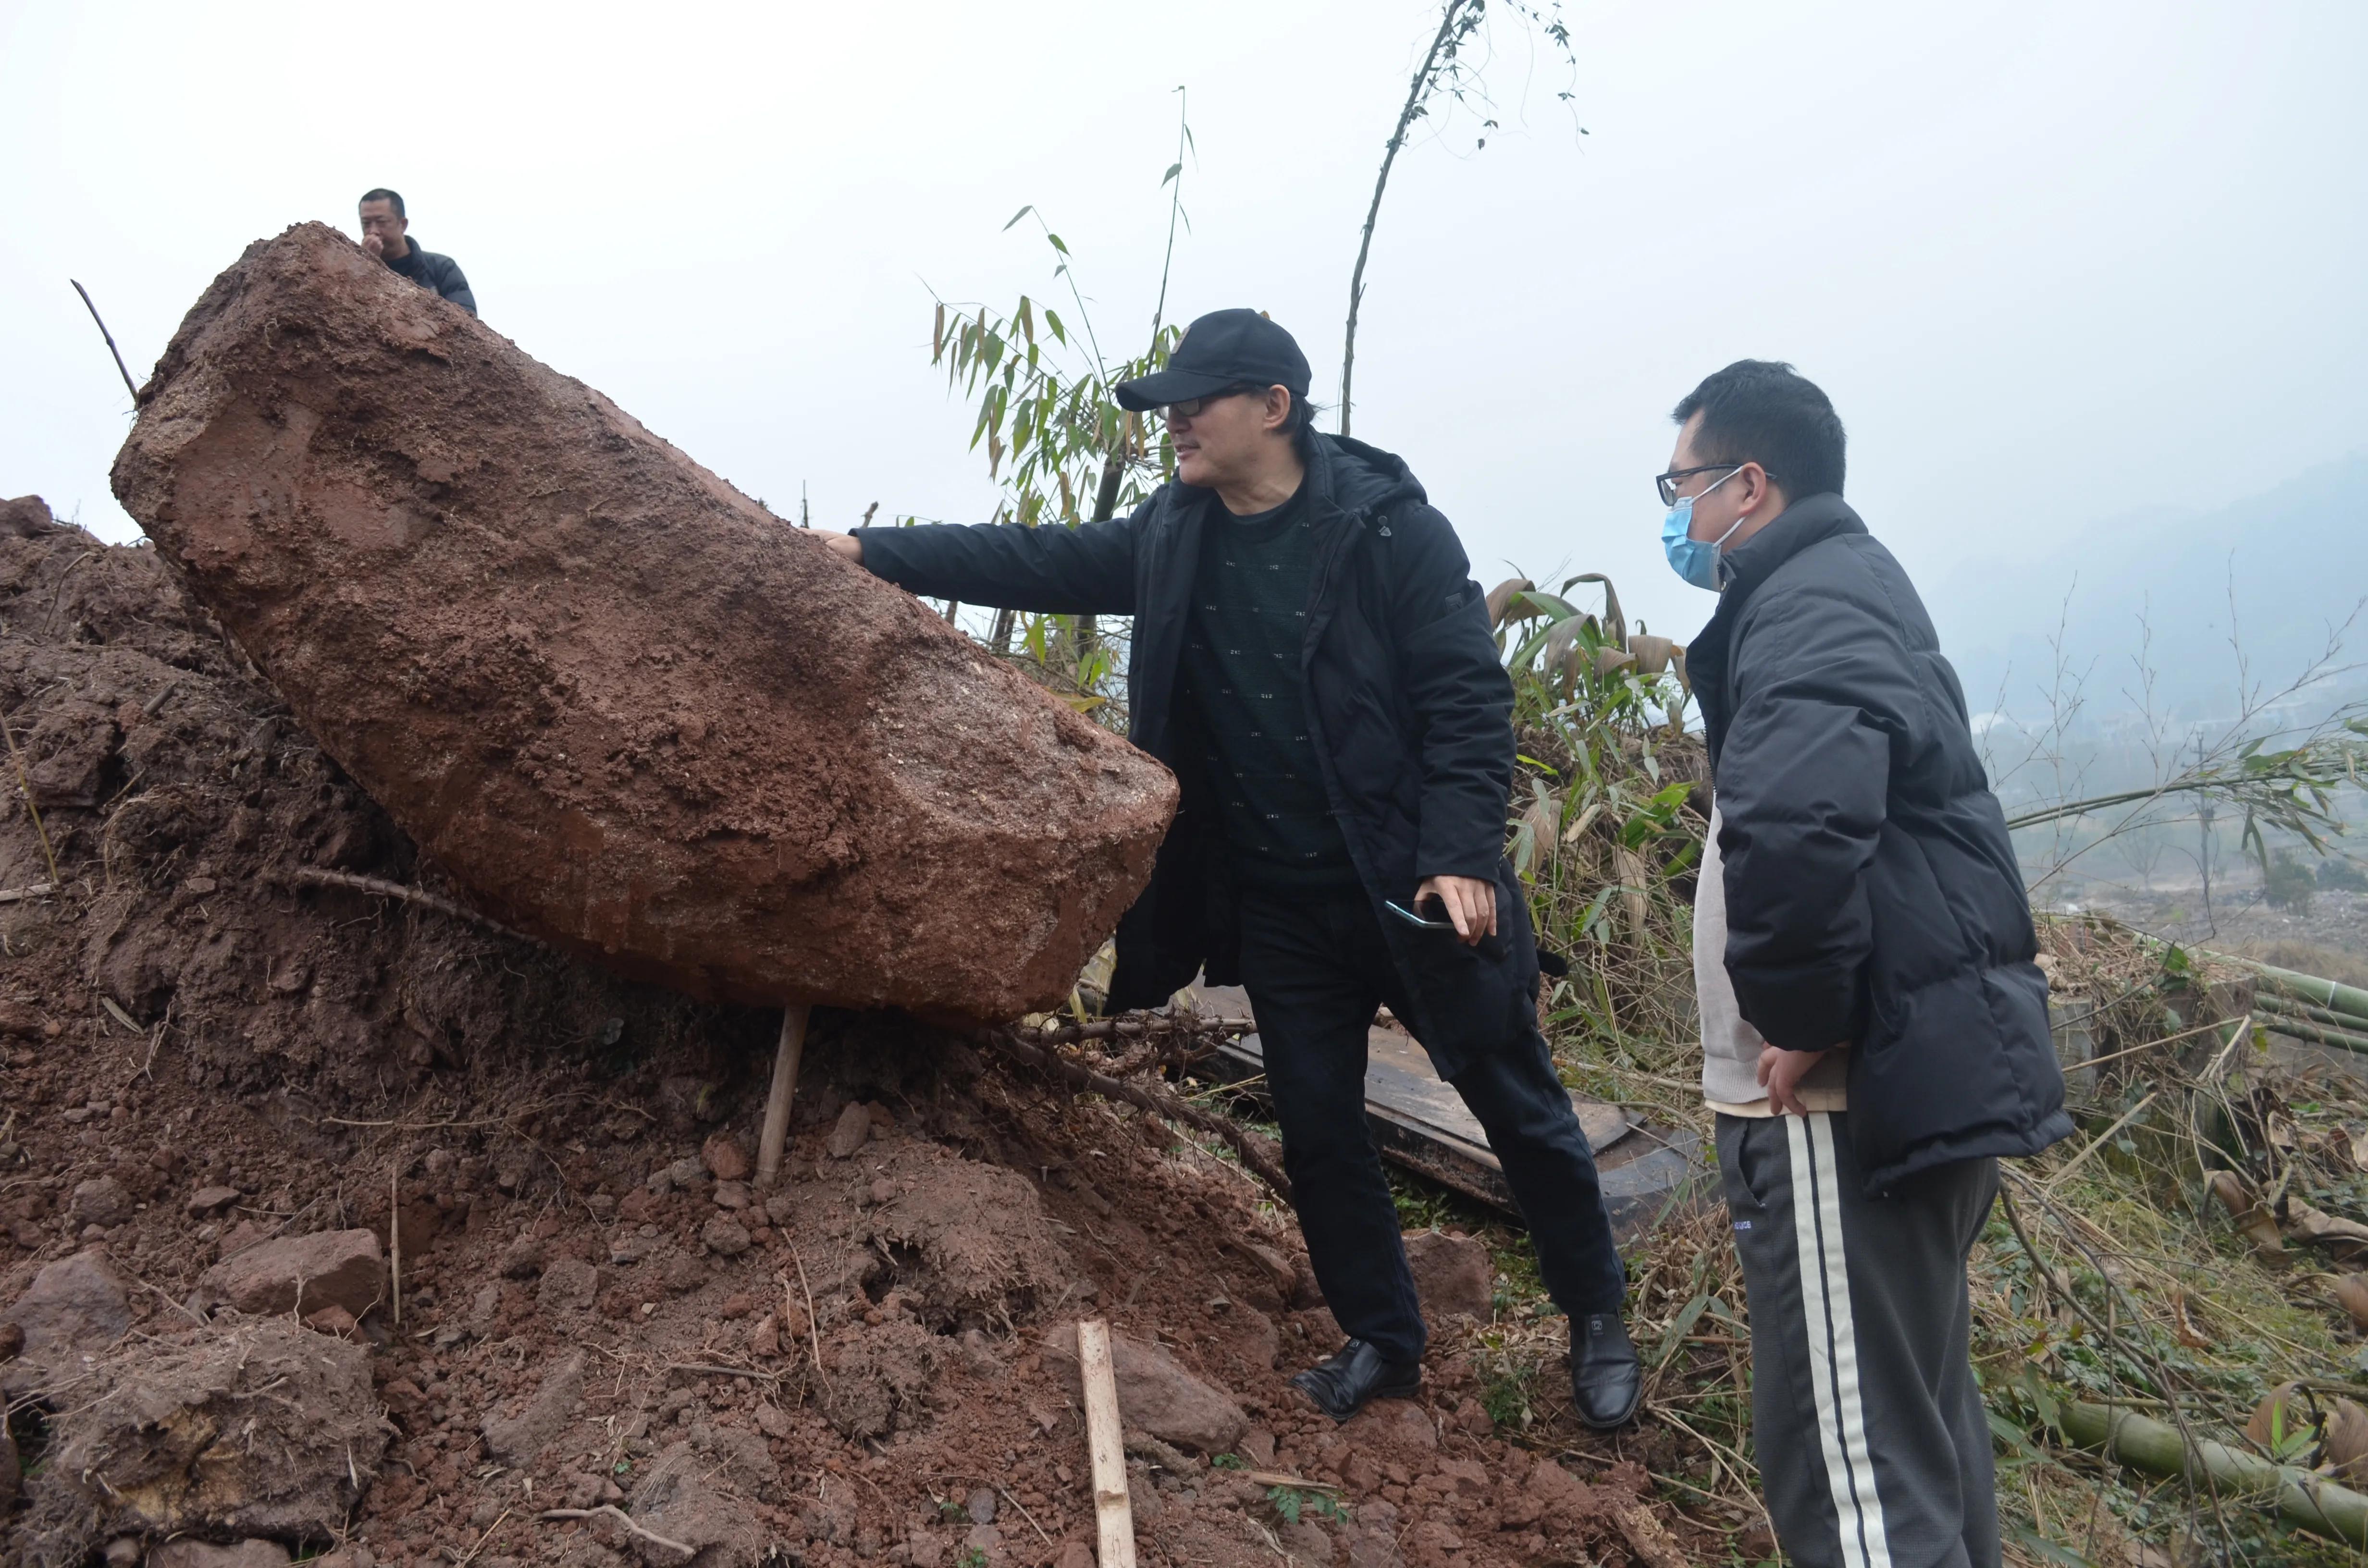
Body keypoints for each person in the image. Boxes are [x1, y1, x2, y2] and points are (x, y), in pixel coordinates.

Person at [818, 309, 1640, 1427]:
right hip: (1283, 906)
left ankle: (1597, 1317)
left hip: (1408, 892)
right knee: (1317, 1126)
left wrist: (1459, 855)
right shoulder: (1176, 534)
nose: (1174, 424)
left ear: (1273, 408)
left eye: (1193, 403)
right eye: (1167, 406)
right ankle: (1385, 1342)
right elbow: (1038, 557)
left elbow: (1466, 703)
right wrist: (875, 554)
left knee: (1516, 1102)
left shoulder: (1390, 533)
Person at [1664, 360, 2071, 1568]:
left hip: (1832, 1101)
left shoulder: (1808, 605)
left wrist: (1803, 1013)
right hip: (1898, 1076)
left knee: (1855, 1473)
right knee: (1915, 1427)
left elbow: (1796, 823)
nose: (1676, 512)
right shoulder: (1842, 589)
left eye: (1682, 483)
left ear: (1750, 484)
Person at [357, 189, 476, 315]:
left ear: (403, 224)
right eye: (366, 224)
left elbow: (468, 320)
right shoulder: (356, 269)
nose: (373, 231)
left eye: (381, 222)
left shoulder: (442, 268)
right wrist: (367, 265)